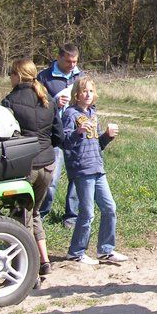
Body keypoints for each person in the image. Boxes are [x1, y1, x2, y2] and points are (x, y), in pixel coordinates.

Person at [1, 59, 63, 278]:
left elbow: (3, 135)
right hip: (47, 166)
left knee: (22, 215)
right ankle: (44, 260)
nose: (10, 77)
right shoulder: (47, 99)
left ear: (18, 75)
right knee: (34, 212)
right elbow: (59, 136)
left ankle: (30, 269)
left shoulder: (9, 101)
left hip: (25, 167)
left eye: (11, 74)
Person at [63, 76, 127, 265]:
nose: (88, 94)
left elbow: (98, 144)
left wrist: (107, 136)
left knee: (109, 208)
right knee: (87, 213)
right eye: (84, 91)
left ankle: (105, 250)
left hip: (98, 167)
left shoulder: (92, 113)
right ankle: (76, 252)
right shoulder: (70, 114)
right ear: (77, 94)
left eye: (91, 91)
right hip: (82, 169)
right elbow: (65, 142)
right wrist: (78, 131)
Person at [37, 43, 84, 228]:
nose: (72, 65)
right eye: (68, 61)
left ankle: (71, 216)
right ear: (59, 58)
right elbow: (37, 105)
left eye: (75, 61)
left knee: (77, 177)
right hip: (53, 134)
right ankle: (40, 214)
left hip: (76, 133)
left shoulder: (81, 76)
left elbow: (90, 101)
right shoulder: (44, 77)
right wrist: (54, 102)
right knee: (51, 179)